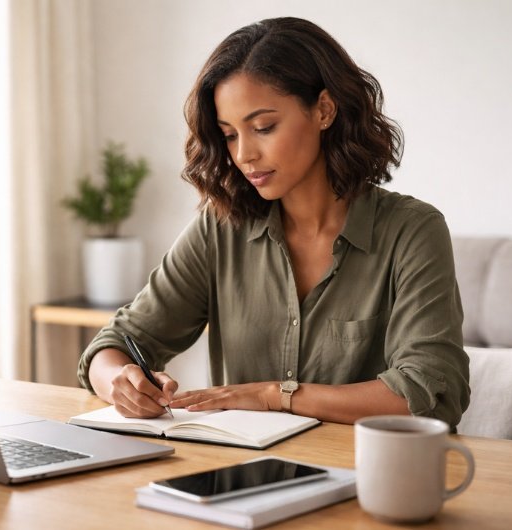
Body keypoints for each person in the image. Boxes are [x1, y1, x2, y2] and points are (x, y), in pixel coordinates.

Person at [77, 17, 470, 428]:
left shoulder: (413, 232)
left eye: (263, 127)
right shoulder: (221, 228)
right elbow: (113, 346)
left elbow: (431, 393)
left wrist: (272, 396)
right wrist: (119, 381)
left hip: (366, 477)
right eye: (229, 135)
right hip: (242, 479)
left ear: (324, 110)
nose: (244, 154)